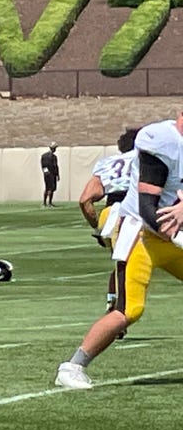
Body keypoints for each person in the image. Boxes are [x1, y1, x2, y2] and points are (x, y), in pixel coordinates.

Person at [55, 115, 182, 389]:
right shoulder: (160, 143)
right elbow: (149, 207)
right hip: (142, 233)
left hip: (168, 229)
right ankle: (72, 366)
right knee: (128, 309)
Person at [78, 128, 138, 311]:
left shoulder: (107, 163)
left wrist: (97, 227)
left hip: (109, 214)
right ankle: (120, 312)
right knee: (132, 263)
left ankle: (114, 302)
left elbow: (85, 200)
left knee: (123, 262)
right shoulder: (147, 160)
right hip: (132, 212)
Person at [41, 142, 60, 207]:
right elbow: (44, 166)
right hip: (49, 174)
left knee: (51, 188)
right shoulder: (45, 156)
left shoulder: (54, 157)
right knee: (49, 188)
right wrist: (47, 173)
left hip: (52, 174)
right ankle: (47, 202)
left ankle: (48, 202)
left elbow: (56, 166)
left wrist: (57, 175)